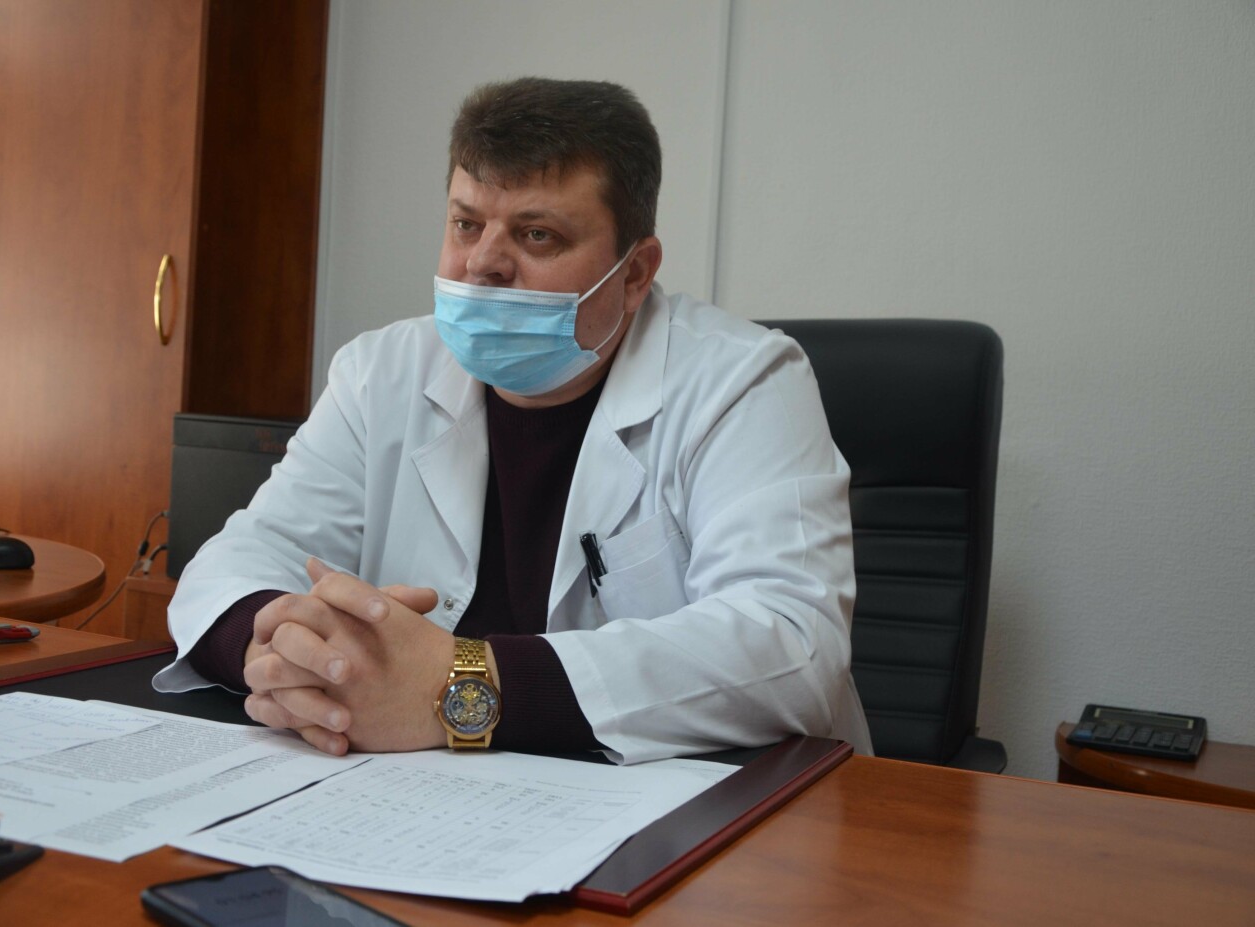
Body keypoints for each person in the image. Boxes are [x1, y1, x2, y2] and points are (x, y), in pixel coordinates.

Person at [153, 77, 872, 765]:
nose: (483, 263)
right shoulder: (382, 372)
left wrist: (457, 685)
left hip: (709, 807)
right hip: (433, 798)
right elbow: (243, 558)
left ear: (634, 273)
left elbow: (792, 646)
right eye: (466, 224)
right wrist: (284, 654)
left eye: (536, 235)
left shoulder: (743, 381)